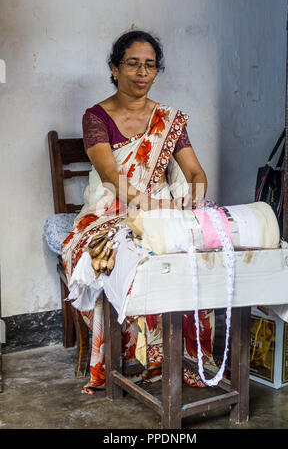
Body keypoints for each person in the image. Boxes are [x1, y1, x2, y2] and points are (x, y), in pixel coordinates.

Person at [62, 30, 215, 395]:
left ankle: (183, 357)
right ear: (115, 69)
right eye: (132, 63)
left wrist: (192, 200)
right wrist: (157, 209)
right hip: (109, 211)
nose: (141, 72)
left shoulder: (168, 119)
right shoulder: (96, 117)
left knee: (200, 252)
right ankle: (140, 356)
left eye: (149, 65)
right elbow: (111, 178)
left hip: (163, 210)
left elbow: (195, 173)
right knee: (116, 257)